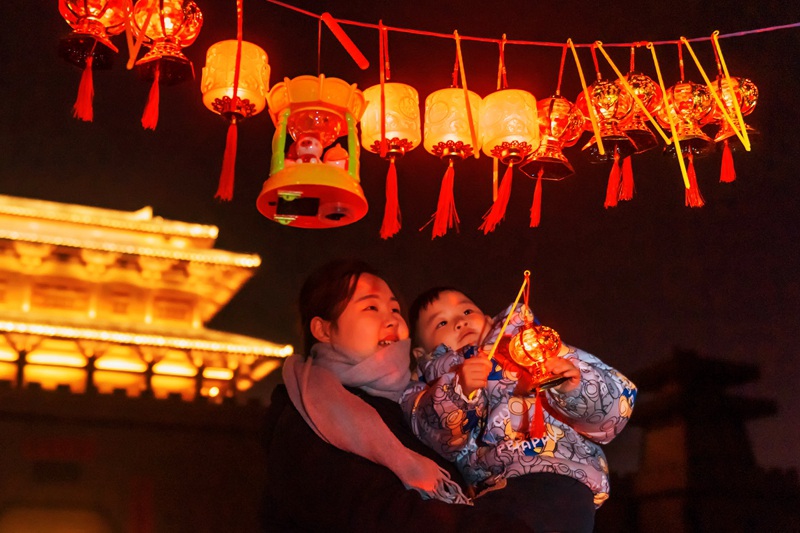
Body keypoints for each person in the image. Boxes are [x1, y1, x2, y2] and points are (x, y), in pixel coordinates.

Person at [260, 260, 535, 532]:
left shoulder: (421, 408)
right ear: (324, 329)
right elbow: (373, 513)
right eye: (371, 307)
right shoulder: (310, 414)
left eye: (394, 308)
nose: (392, 318)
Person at [401, 287, 637, 532]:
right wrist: (458, 390)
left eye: (467, 310)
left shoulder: (531, 345)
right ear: (422, 353)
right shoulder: (425, 388)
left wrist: (573, 388)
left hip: (560, 472)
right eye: (441, 322)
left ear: (489, 320)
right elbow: (435, 431)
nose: (460, 321)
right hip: (493, 488)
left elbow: (613, 407)